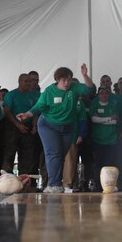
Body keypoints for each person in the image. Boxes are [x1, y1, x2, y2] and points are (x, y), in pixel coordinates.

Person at [17, 63, 95, 193]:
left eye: (69, 79)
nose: (67, 83)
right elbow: (39, 106)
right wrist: (27, 114)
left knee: (61, 156)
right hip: (48, 126)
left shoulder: (74, 88)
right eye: (64, 80)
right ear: (57, 80)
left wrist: (85, 76)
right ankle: (53, 184)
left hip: (68, 128)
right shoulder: (49, 91)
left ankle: (54, 185)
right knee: (54, 154)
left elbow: (91, 90)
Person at [1, 73, 39, 177]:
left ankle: (24, 180)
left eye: (29, 81)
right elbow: (7, 111)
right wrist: (18, 125)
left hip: (28, 127)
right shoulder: (11, 95)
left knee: (27, 156)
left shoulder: (34, 95)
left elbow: (36, 112)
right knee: (9, 153)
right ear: (19, 82)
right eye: (26, 81)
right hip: (12, 126)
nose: (28, 83)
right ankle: (7, 179)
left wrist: (34, 126)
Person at [89, 86, 119, 189]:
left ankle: (110, 185)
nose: (104, 95)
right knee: (98, 164)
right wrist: (109, 118)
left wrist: (101, 119)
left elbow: (115, 121)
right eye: (102, 93)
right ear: (98, 94)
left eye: (106, 93)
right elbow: (93, 119)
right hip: (98, 140)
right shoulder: (95, 104)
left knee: (110, 163)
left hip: (111, 140)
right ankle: (98, 185)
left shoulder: (112, 105)